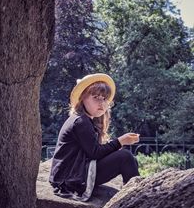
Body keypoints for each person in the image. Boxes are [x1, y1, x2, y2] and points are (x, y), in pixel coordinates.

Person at [49, 73, 140, 201]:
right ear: (82, 98)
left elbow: (93, 151)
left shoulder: (84, 119)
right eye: (96, 97)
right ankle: (135, 198)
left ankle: (131, 194)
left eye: (104, 98)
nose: (101, 102)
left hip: (76, 173)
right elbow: (95, 153)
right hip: (70, 179)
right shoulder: (81, 121)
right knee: (125, 157)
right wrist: (120, 141)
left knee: (131, 160)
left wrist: (116, 146)